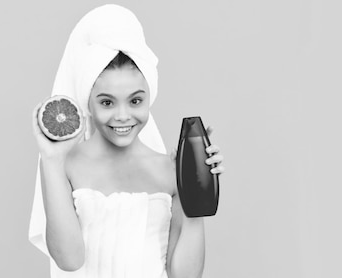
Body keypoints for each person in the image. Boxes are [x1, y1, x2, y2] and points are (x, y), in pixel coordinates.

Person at [28, 4, 225, 278]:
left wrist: (196, 187)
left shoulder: (170, 169)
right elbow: (69, 260)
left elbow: (185, 276)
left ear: (149, 98)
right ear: (89, 102)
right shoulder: (65, 165)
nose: (123, 116)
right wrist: (50, 160)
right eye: (107, 102)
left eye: (135, 100)